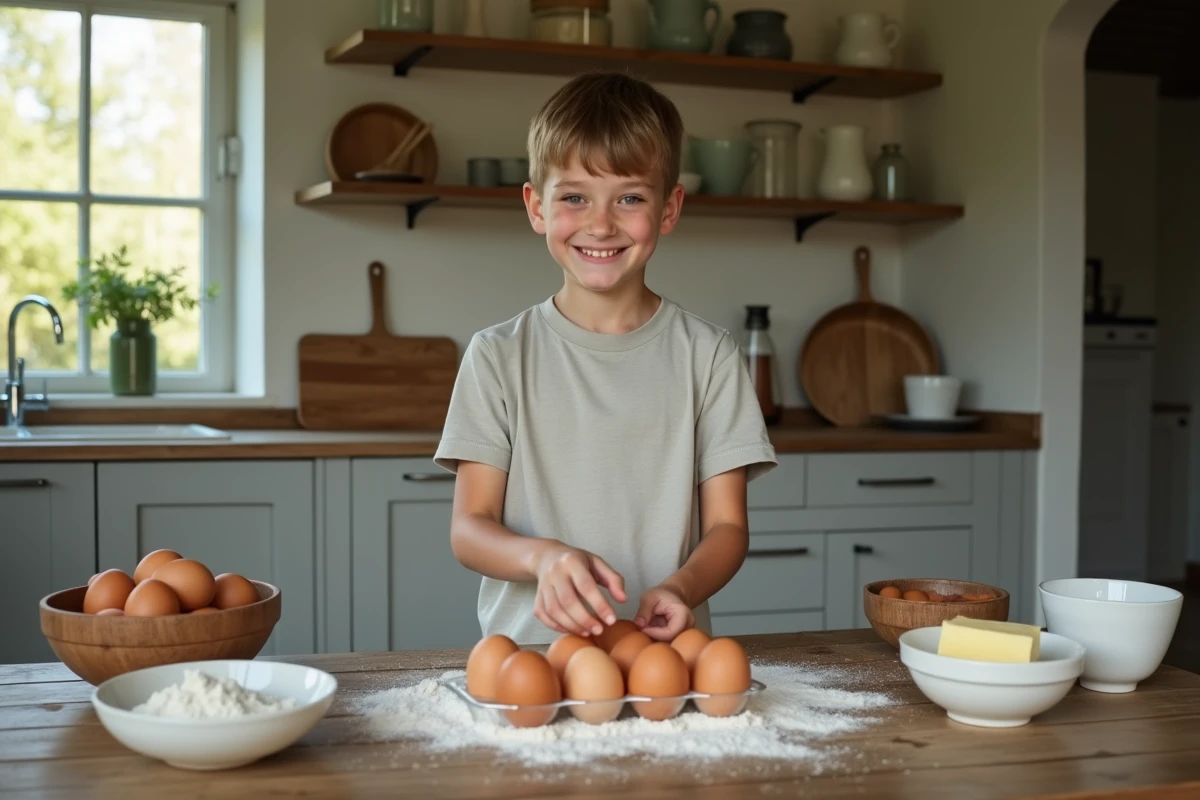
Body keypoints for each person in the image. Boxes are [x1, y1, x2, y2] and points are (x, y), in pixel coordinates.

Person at [433, 71, 777, 646]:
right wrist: (542, 558)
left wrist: (683, 588)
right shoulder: (497, 356)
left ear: (668, 210)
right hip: (532, 658)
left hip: (662, 656)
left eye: (630, 198)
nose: (600, 223)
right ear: (536, 207)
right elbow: (470, 530)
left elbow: (727, 526)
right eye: (573, 197)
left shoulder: (710, 356)